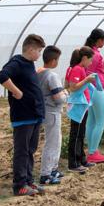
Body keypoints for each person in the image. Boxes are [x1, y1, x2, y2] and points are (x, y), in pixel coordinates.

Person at [0, 34, 46, 196]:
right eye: (38, 51)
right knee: (22, 150)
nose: (39, 55)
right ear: (30, 49)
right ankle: (19, 185)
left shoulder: (29, 64)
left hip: (34, 114)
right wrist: (16, 92)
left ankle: (28, 180)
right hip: (23, 115)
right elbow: (2, 76)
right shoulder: (17, 62)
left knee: (30, 149)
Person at [37, 46, 67, 185]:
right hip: (52, 111)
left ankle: (53, 169)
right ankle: (46, 174)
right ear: (54, 60)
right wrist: (66, 94)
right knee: (52, 142)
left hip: (44, 110)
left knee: (56, 140)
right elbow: (59, 98)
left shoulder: (38, 73)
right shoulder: (52, 75)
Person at [66, 47, 97, 173]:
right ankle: (73, 163)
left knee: (81, 133)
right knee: (76, 134)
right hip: (78, 105)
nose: (90, 63)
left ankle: (81, 159)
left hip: (83, 104)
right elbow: (73, 87)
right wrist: (86, 80)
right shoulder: (77, 69)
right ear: (84, 58)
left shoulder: (81, 69)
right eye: (90, 60)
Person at [84, 29, 104, 163]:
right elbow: (94, 73)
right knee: (101, 120)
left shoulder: (87, 51)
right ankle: (93, 152)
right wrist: (99, 85)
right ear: (99, 40)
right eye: (103, 40)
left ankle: (91, 150)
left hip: (89, 87)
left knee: (92, 121)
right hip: (96, 88)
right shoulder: (95, 54)